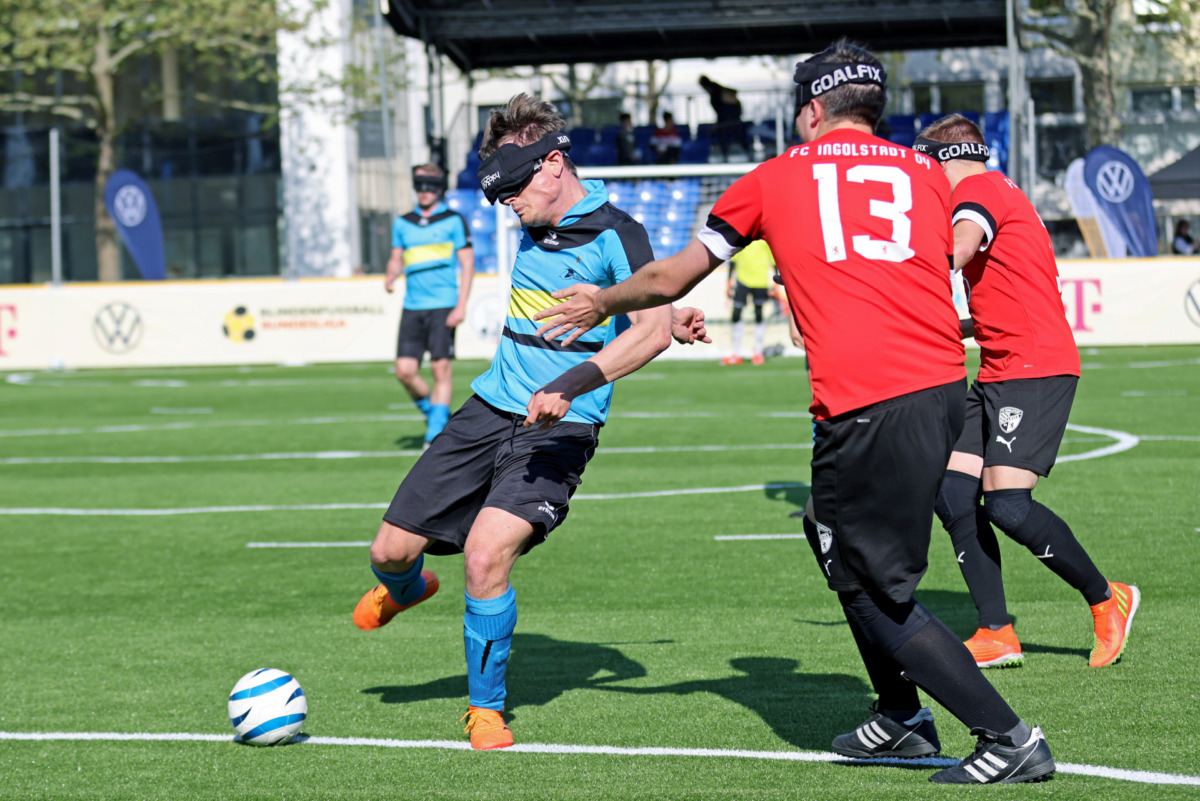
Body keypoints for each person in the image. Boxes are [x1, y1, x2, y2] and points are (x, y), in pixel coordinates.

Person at [535, 40, 1055, 785]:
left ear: (811, 111)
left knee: (872, 588)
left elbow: (674, 274)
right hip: (942, 389)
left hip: (871, 402)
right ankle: (900, 715)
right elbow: (946, 261)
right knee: (825, 525)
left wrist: (602, 299)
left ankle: (1006, 735)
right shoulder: (925, 173)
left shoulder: (778, 176)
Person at [353, 93, 708, 752]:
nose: (507, 206)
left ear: (552, 164)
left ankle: (485, 708)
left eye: (513, 189)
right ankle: (407, 587)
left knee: (487, 556)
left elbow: (649, 332)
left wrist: (576, 380)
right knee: (386, 553)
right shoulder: (532, 212)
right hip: (489, 408)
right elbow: (647, 311)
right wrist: (664, 317)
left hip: (560, 426)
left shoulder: (617, 231)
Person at [914, 114, 1139, 670]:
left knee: (1008, 505)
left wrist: (885, 276)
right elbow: (1003, 293)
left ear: (942, 159)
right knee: (951, 491)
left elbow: (960, 250)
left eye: (924, 166)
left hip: (1034, 368)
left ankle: (1107, 597)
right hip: (999, 365)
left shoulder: (978, 190)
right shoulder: (994, 187)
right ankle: (996, 630)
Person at [384, 164, 475, 446]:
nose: (424, 192)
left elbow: (467, 263)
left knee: (440, 370)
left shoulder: (453, 220)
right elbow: (396, 257)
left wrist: (461, 305)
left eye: (430, 186)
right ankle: (436, 413)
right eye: (419, 185)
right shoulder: (403, 222)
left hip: (443, 304)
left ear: (439, 188)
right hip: (413, 306)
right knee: (405, 371)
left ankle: (435, 431)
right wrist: (391, 273)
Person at [721, 239, 774, 365]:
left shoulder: (764, 241)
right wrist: (729, 280)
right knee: (736, 313)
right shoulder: (743, 239)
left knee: (759, 313)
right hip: (742, 280)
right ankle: (735, 352)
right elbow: (733, 261)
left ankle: (758, 352)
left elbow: (773, 260)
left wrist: (775, 282)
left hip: (760, 280)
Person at [699, 75, 748, 160]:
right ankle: (747, 153)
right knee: (737, 135)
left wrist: (715, 127)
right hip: (733, 116)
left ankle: (726, 157)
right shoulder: (717, 89)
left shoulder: (715, 93)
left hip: (728, 118)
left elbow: (721, 112)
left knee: (725, 135)